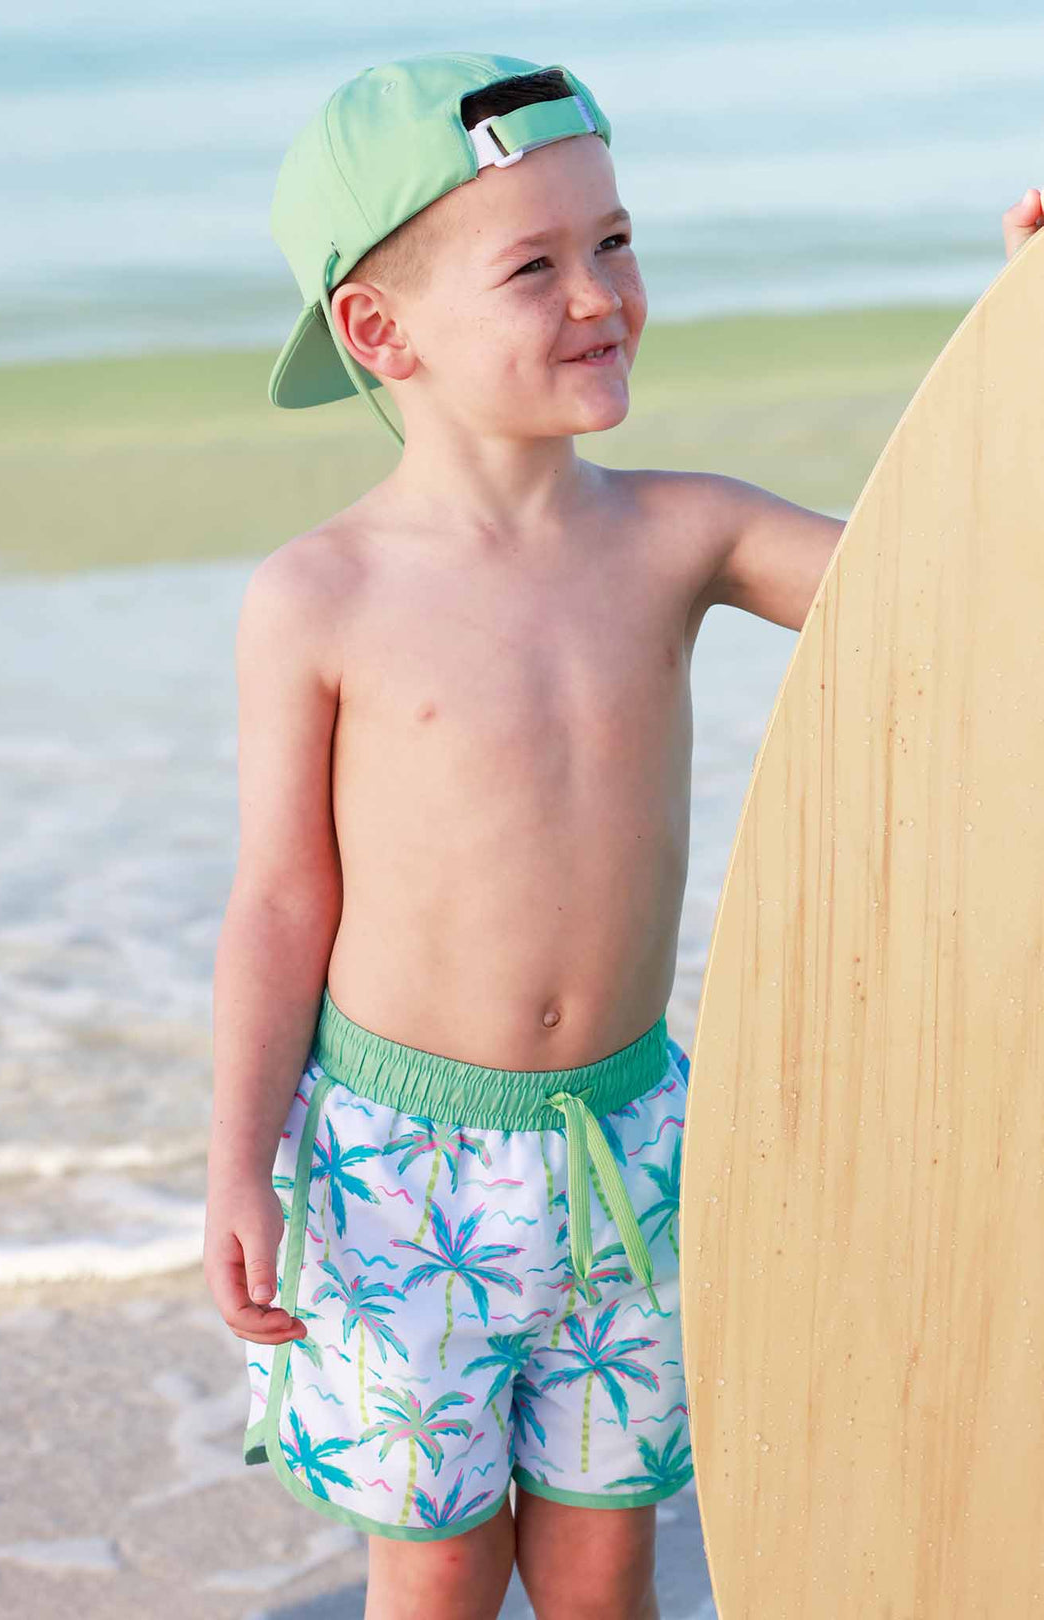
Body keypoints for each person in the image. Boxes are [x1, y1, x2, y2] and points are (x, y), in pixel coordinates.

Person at [203, 51, 1041, 1620]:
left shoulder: (680, 536)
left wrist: (1029, 333)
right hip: (401, 1174)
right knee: (438, 1575)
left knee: (603, 1575)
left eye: (618, 241)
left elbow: (953, 581)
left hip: (636, 1146)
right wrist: (238, 1158)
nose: (601, 293)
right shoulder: (321, 597)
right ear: (380, 333)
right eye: (536, 263)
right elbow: (275, 902)